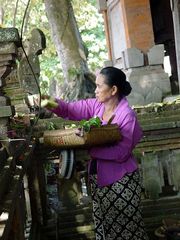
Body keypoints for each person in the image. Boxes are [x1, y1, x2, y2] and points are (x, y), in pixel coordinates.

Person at [43, 66, 149, 240]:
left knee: (127, 230)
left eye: (99, 86)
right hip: (99, 179)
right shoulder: (97, 107)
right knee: (105, 226)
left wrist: (91, 150)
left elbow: (121, 152)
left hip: (121, 182)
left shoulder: (126, 115)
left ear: (113, 89)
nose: (95, 90)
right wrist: (45, 101)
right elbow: (69, 109)